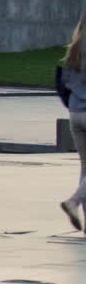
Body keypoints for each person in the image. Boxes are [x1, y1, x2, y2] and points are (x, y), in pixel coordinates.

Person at [57, 18, 86, 233]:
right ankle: (73, 202)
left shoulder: (75, 47)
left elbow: (65, 81)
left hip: (75, 113)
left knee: (85, 168)